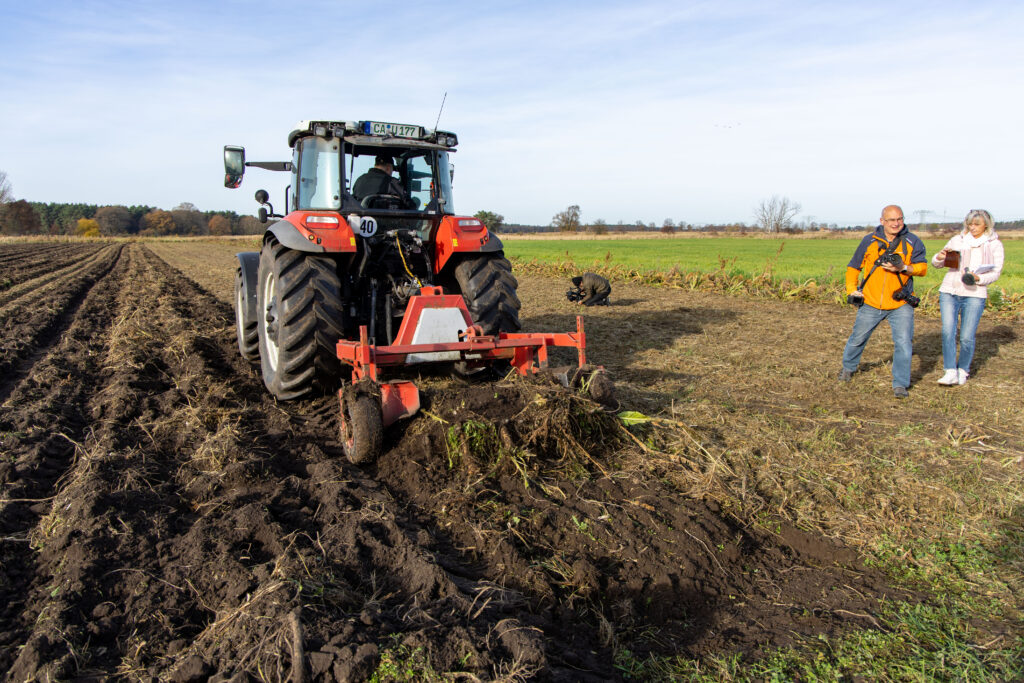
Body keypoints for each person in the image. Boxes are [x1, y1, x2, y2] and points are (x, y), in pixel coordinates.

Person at [838, 205, 927, 398]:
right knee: (857, 338)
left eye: (899, 219)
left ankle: (900, 385)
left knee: (904, 343)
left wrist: (903, 268)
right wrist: (852, 289)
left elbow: (922, 268)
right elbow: (853, 267)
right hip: (870, 302)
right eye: (891, 220)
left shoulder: (913, 241)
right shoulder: (869, 241)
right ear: (882, 221)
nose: (896, 223)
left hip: (900, 303)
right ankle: (848, 368)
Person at [931, 209, 1004, 385]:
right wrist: (939, 257)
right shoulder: (957, 240)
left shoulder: (994, 244)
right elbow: (937, 263)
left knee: (966, 336)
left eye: (976, 224)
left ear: (986, 224)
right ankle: (950, 371)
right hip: (949, 291)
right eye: (970, 224)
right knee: (948, 331)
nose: (972, 227)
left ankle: (963, 369)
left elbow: (996, 272)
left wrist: (979, 279)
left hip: (974, 294)